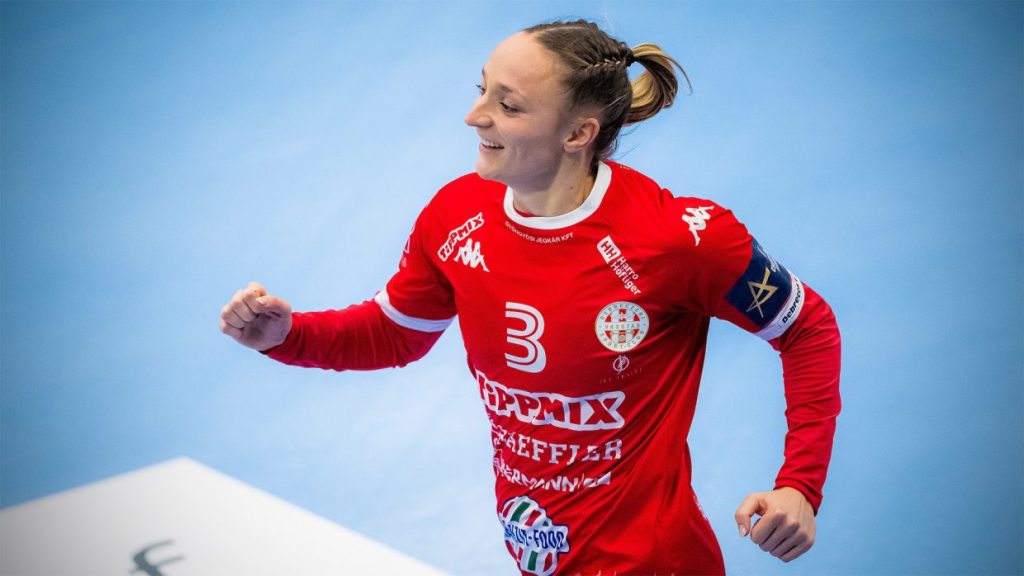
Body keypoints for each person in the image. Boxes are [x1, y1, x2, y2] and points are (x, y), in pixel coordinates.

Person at [220, 19, 841, 576]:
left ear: (578, 133)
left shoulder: (676, 239)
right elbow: (395, 332)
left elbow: (805, 326)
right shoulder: (457, 215)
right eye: (481, 89)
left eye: (508, 105)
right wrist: (288, 335)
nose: (474, 116)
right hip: (538, 551)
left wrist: (800, 486)